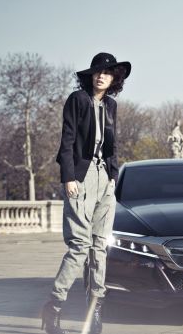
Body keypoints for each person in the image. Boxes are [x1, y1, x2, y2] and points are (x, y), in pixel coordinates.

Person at [42, 52, 131, 334]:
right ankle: (53, 307)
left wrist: (114, 175)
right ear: (90, 75)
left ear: (114, 78)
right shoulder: (77, 100)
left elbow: (113, 145)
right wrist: (68, 176)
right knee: (80, 245)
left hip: (105, 178)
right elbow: (67, 140)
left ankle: (94, 311)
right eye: (97, 71)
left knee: (99, 247)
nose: (101, 75)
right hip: (81, 176)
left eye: (107, 72)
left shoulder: (111, 105)